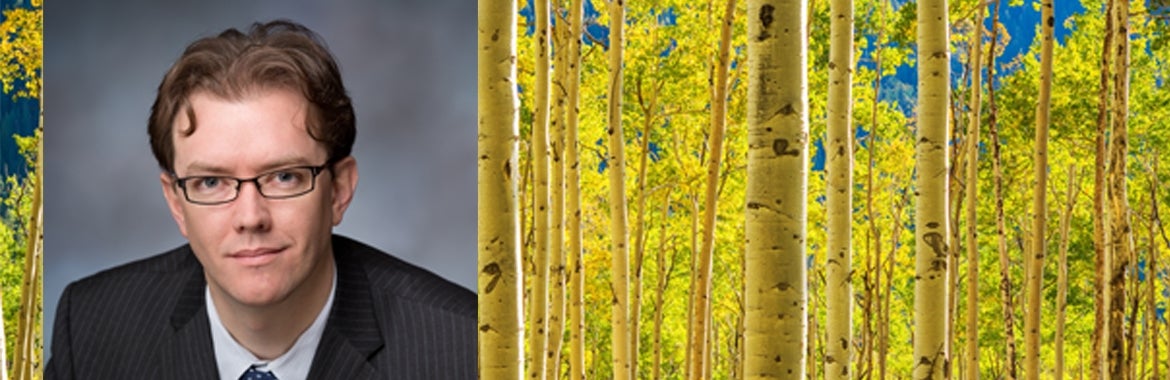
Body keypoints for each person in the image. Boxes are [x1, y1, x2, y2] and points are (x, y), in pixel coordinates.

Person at [46, 20, 476, 380]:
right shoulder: (90, 330)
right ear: (177, 203)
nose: (250, 217)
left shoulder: (468, 348)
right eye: (211, 182)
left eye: (284, 176)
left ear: (339, 191)